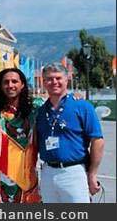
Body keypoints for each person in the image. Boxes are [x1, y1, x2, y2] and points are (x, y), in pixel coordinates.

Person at [36, 62, 104, 203]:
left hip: (73, 172)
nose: (54, 82)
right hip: (47, 172)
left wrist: (92, 174)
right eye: (49, 79)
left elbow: (97, 140)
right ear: (44, 82)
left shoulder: (82, 106)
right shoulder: (41, 111)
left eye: (58, 78)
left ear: (67, 80)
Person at [0, 68, 40, 203]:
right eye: (6, 82)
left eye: (14, 81)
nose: (10, 85)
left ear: (22, 85)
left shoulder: (35, 111)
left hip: (26, 174)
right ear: (0, 86)